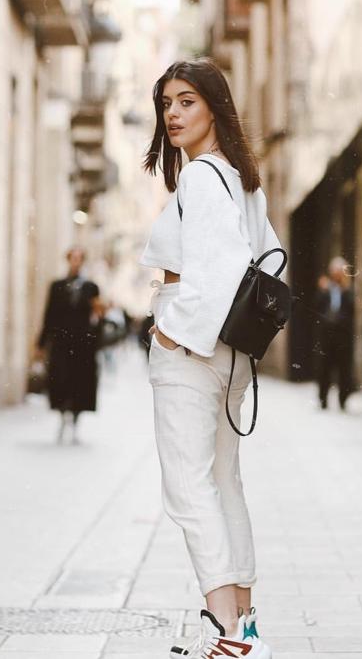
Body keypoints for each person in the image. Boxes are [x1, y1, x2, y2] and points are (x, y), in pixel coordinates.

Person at [140, 57, 283, 659]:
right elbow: (272, 259)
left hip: (195, 346)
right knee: (224, 482)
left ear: (215, 107)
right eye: (166, 103)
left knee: (188, 487)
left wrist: (172, 333)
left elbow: (219, 269)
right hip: (231, 353)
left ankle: (226, 631)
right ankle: (244, 625)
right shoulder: (243, 179)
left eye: (186, 101)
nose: (172, 113)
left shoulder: (202, 176)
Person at [35, 247, 101, 444]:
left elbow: (96, 317)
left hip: (83, 344)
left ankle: (76, 419)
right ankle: (63, 415)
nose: (76, 262)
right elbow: (49, 315)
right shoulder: (57, 286)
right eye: (73, 258)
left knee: (80, 382)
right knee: (61, 379)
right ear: (68, 260)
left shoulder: (91, 287)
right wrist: (41, 343)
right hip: (62, 342)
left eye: (79, 258)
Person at [314, 257, 355, 410]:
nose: (337, 275)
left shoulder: (348, 290)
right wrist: (322, 290)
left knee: (344, 369)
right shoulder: (326, 288)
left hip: (342, 336)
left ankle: (343, 399)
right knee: (324, 368)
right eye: (335, 271)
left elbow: (351, 311)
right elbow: (317, 306)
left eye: (340, 272)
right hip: (326, 335)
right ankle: (323, 398)